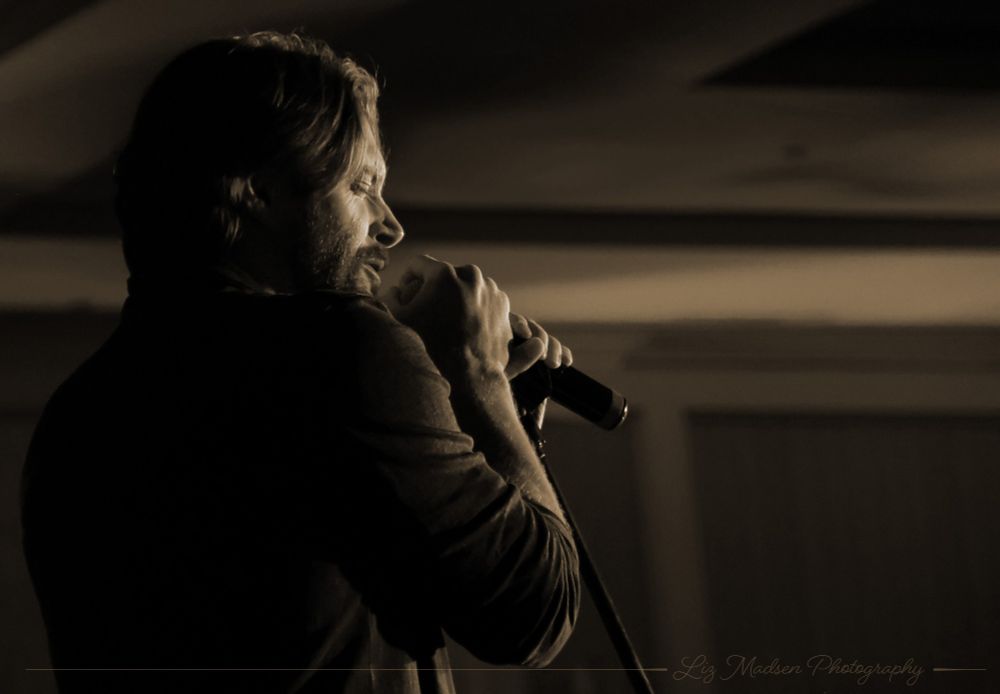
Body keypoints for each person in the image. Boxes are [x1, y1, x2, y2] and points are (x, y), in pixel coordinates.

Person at [21, 31, 580, 694]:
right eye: (362, 185)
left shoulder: (87, 404)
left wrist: (463, 405)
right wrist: (476, 376)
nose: (390, 224)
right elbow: (535, 616)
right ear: (255, 186)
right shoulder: (344, 350)